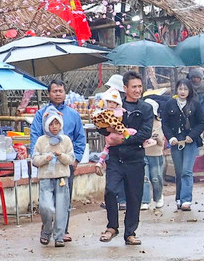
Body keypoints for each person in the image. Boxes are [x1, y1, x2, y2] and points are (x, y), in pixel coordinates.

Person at [97, 73, 155, 245]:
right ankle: (112, 227)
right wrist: (108, 129)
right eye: (133, 87)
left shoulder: (146, 108)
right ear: (125, 88)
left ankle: (130, 233)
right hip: (115, 158)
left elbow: (145, 133)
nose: (137, 90)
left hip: (135, 158)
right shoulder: (114, 105)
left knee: (134, 197)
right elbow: (101, 126)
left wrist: (123, 139)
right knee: (110, 190)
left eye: (139, 86)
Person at [33, 80, 86, 236]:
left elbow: (80, 138)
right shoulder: (40, 115)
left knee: (64, 200)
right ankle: (47, 226)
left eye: (60, 91)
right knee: (46, 201)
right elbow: (35, 137)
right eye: (54, 91)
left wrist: (76, 159)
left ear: (65, 93)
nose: (57, 94)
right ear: (49, 94)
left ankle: (62, 232)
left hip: (65, 164)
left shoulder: (73, 115)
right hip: (46, 166)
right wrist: (36, 158)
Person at [31, 110, 75, 247]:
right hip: (46, 179)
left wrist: (61, 156)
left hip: (61, 178)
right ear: (46, 125)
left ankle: (59, 236)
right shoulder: (41, 141)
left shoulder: (66, 140)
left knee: (62, 208)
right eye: (51, 124)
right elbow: (34, 160)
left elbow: (71, 159)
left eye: (57, 123)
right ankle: (46, 230)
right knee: (46, 207)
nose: (54, 127)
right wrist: (46, 158)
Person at [163, 79, 204, 212]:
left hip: (190, 142)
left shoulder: (195, 104)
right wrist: (170, 137)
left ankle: (186, 199)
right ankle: (179, 198)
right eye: (180, 89)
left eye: (185, 89)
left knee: (187, 171)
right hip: (176, 142)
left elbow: (201, 123)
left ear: (190, 90)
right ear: (176, 90)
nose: (182, 92)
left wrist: (192, 135)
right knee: (179, 171)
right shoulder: (170, 104)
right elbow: (165, 123)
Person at [141, 92, 167, 211]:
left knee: (156, 177)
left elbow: (162, 143)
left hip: (156, 155)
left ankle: (158, 196)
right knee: (144, 178)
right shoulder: (140, 123)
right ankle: (145, 200)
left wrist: (156, 138)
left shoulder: (159, 124)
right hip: (143, 153)